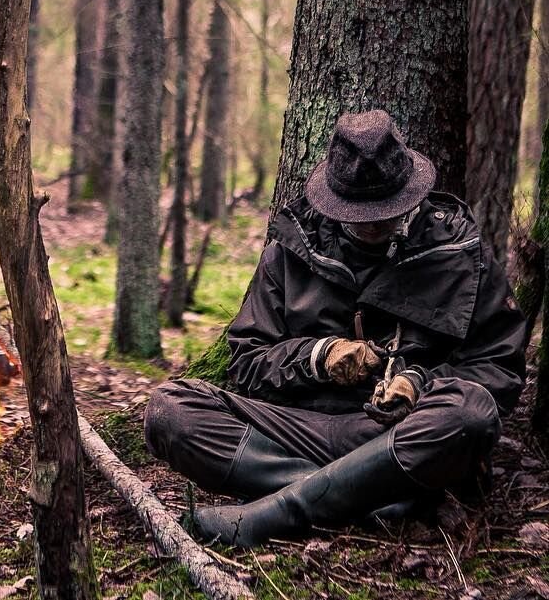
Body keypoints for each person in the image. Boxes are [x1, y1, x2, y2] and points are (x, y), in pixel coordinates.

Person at [144, 109, 527, 547]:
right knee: (169, 410)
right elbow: (247, 361)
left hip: (401, 436)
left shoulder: (461, 252)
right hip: (301, 428)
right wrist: (316, 357)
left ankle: (281, 511)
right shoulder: (291, 249)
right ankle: (373, 500)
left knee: (470, 414)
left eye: (385, 212)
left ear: (410, 194)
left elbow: (498, 369)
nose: (371, 224)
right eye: (358, 213)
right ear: (333, 200)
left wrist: (418, 383)